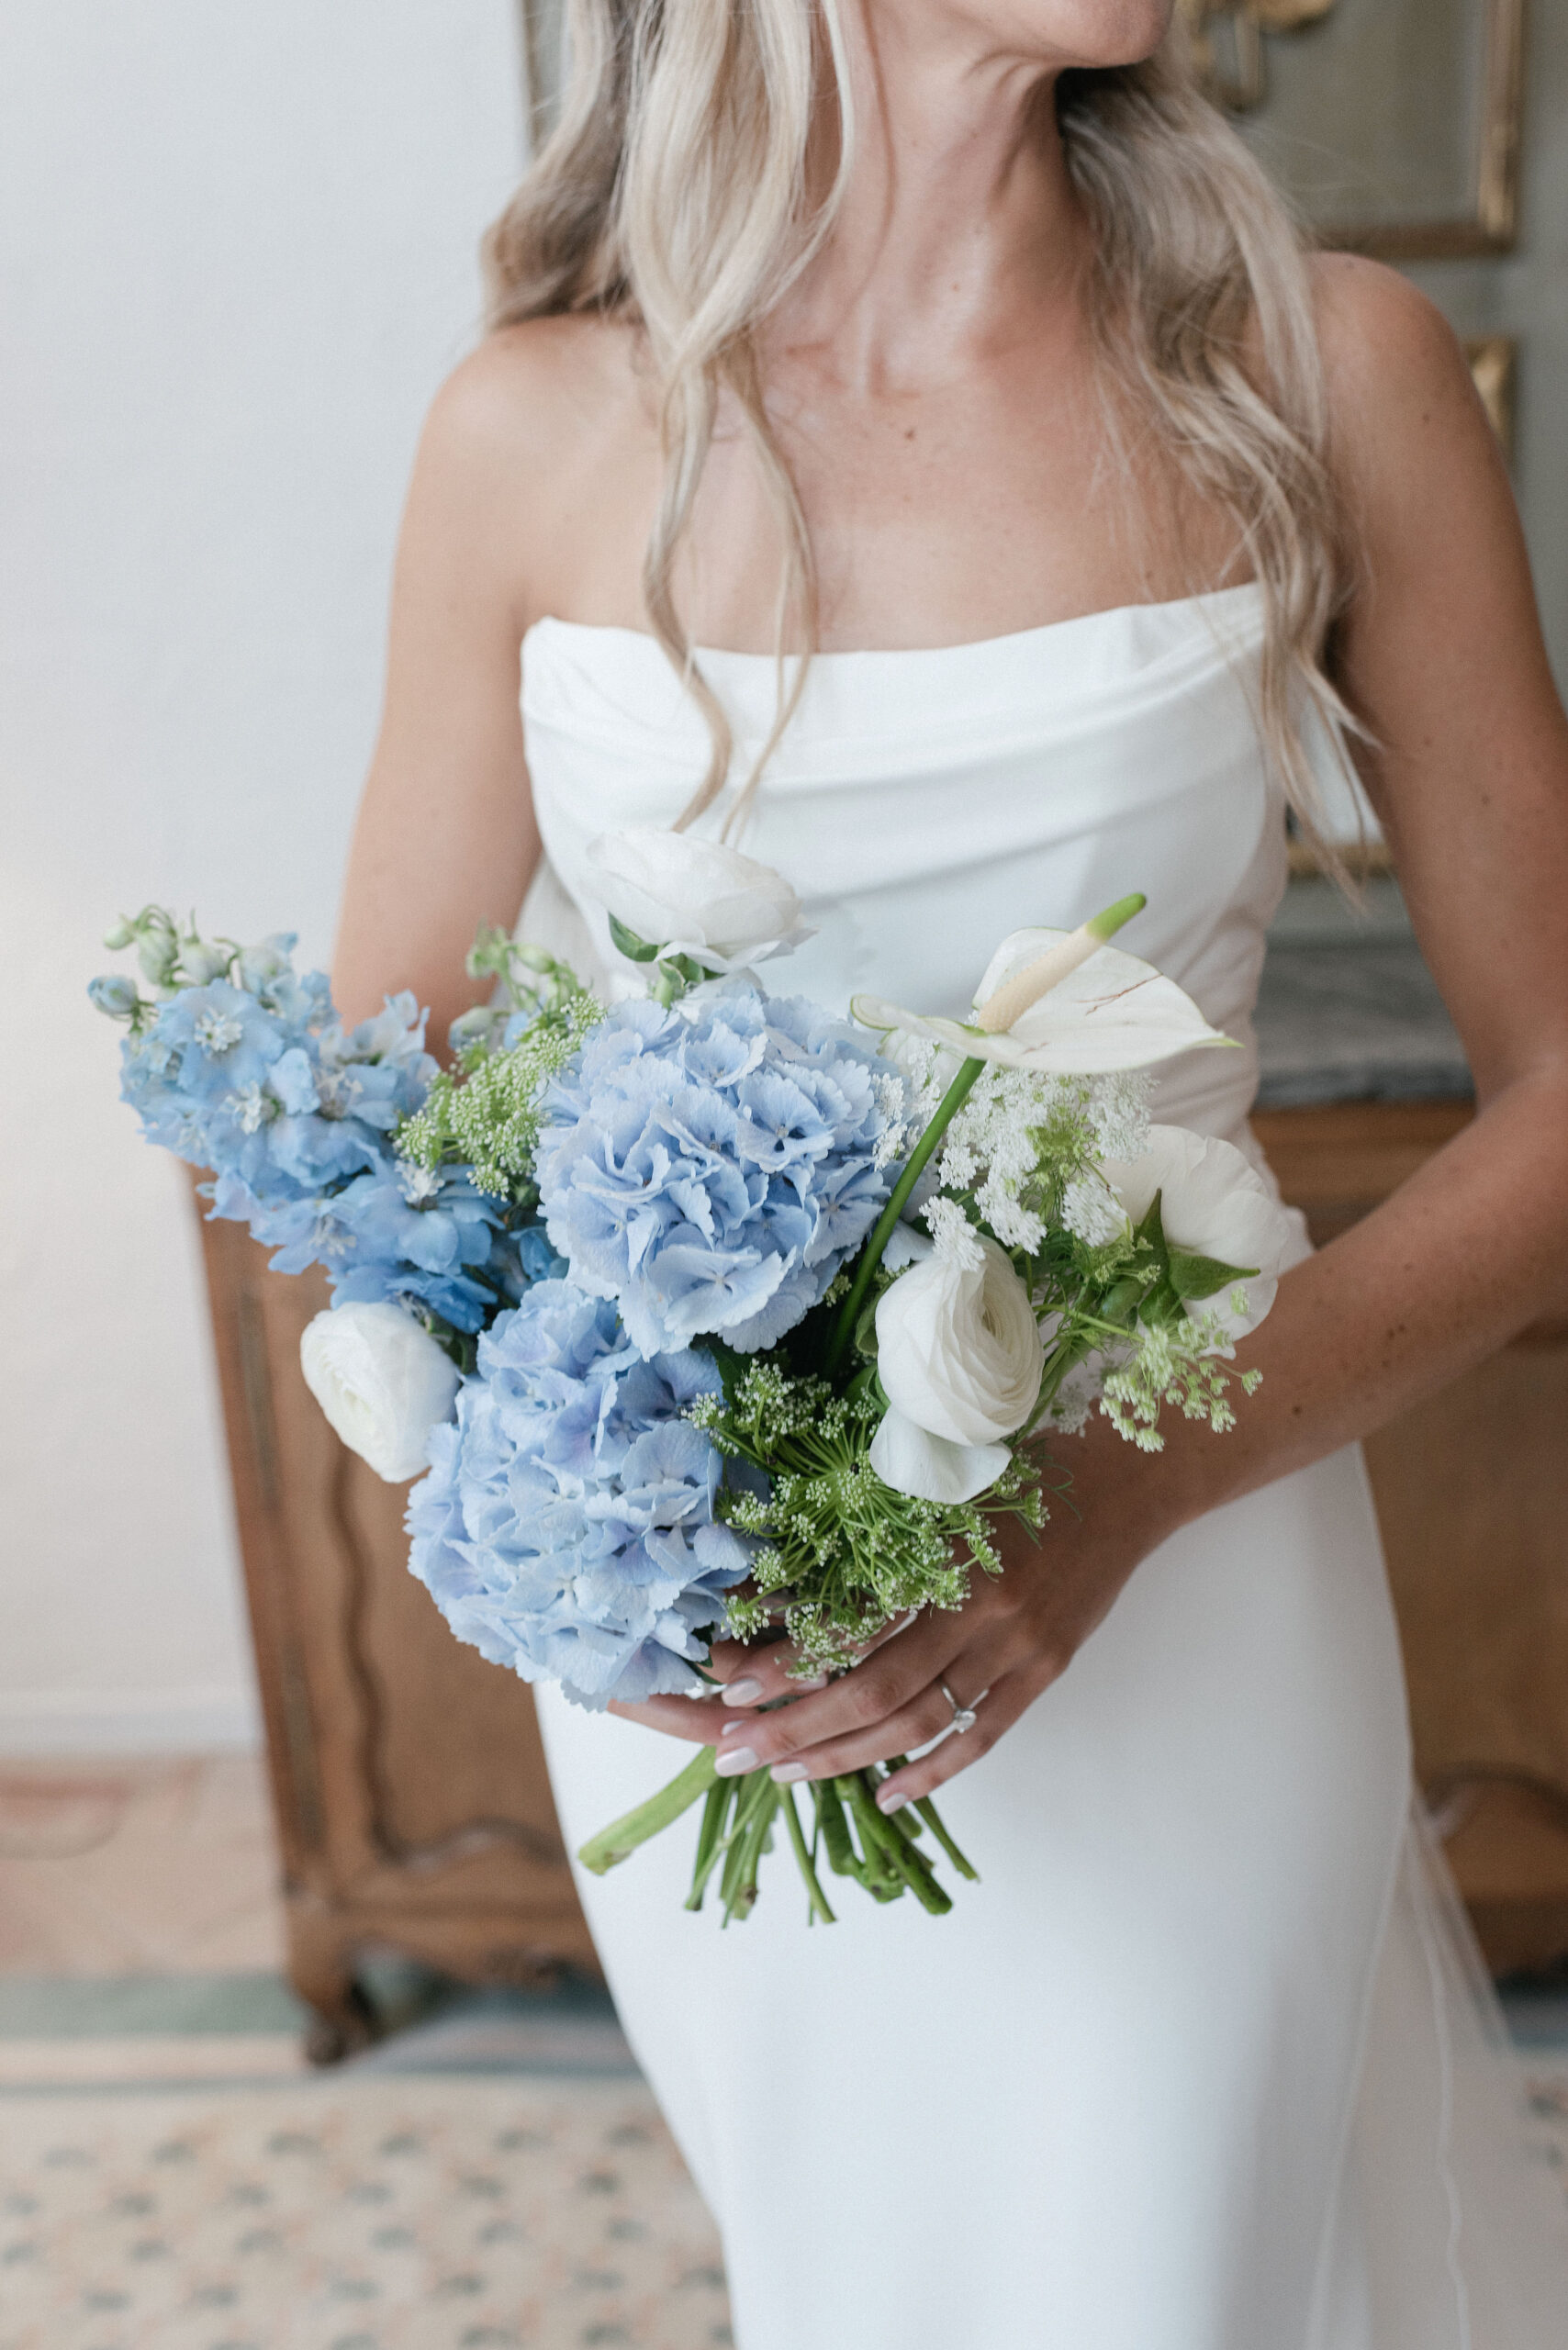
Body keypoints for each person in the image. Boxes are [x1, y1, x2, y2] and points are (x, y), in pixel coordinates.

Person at [332, 4, 1568, 2341]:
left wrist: (1116, 1487)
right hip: (719, 1636)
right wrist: (613, 1544)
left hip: (1188, 1547)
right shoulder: (528, 431)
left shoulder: (1322, 369)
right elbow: (381, 1134)